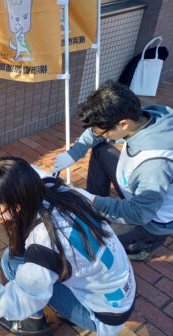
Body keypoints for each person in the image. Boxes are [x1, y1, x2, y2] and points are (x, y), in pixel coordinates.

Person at [0, 157, 136, 336]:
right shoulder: (57, 190)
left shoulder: (45, 244)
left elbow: (14, 303)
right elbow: (32, 171)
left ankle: (33, 322)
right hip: (122, 290)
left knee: (12, 263)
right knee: (14, 256)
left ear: (16, 206)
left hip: (102, 314)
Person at [51, 80, 173, 261]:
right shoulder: (146, 117)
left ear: (123, 124)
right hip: (139, 190)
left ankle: (143, 246)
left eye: (101, 131)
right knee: (101, 151)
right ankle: (93, 211)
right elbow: (95, 132)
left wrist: (93, 202)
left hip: (150, 220)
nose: (97, 134)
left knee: (91, 241)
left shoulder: (154, 164)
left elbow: (140, 213)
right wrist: (74, 152)